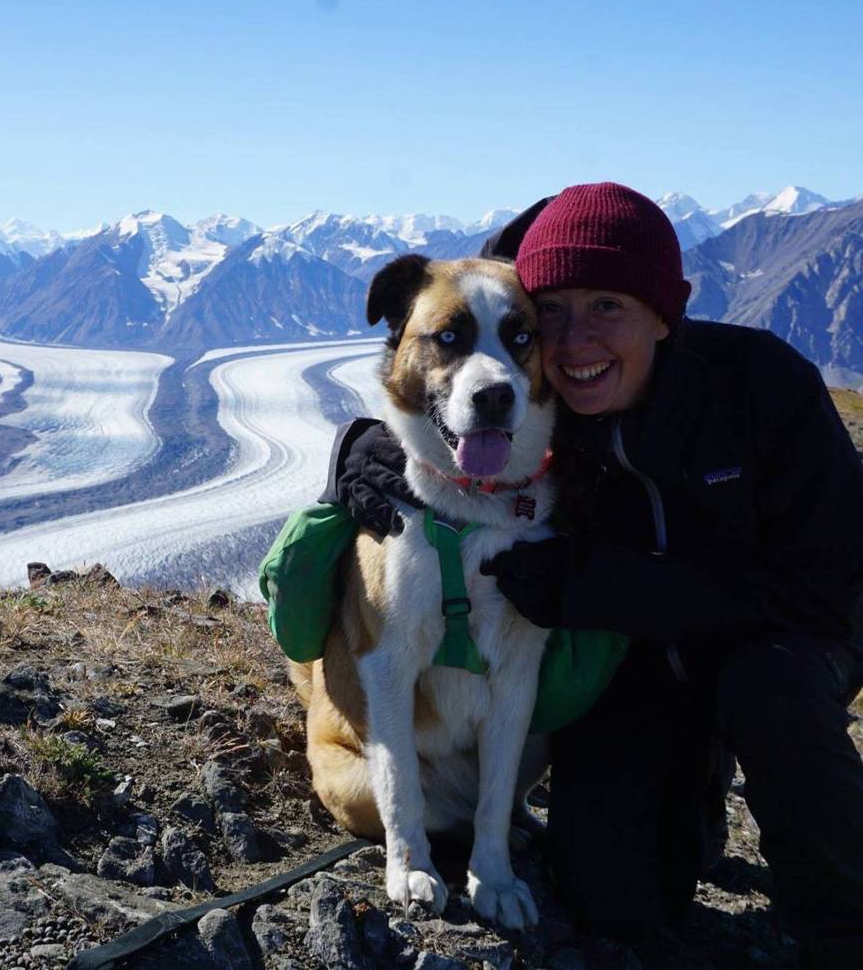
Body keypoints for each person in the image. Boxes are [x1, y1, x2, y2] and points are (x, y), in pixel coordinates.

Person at [327, 182, 863, 969]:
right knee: (614, 894)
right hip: (644, 658)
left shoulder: (763, 386)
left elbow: (822, 586)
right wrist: (362, 459)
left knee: (768, 693)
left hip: (786, 642)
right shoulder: (557, 397)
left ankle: (841, 927)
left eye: (608, 305)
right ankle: (692, 800)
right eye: (555, 313)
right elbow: (449, 406)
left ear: (663, 312)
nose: (576, 341)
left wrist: (603, 587)